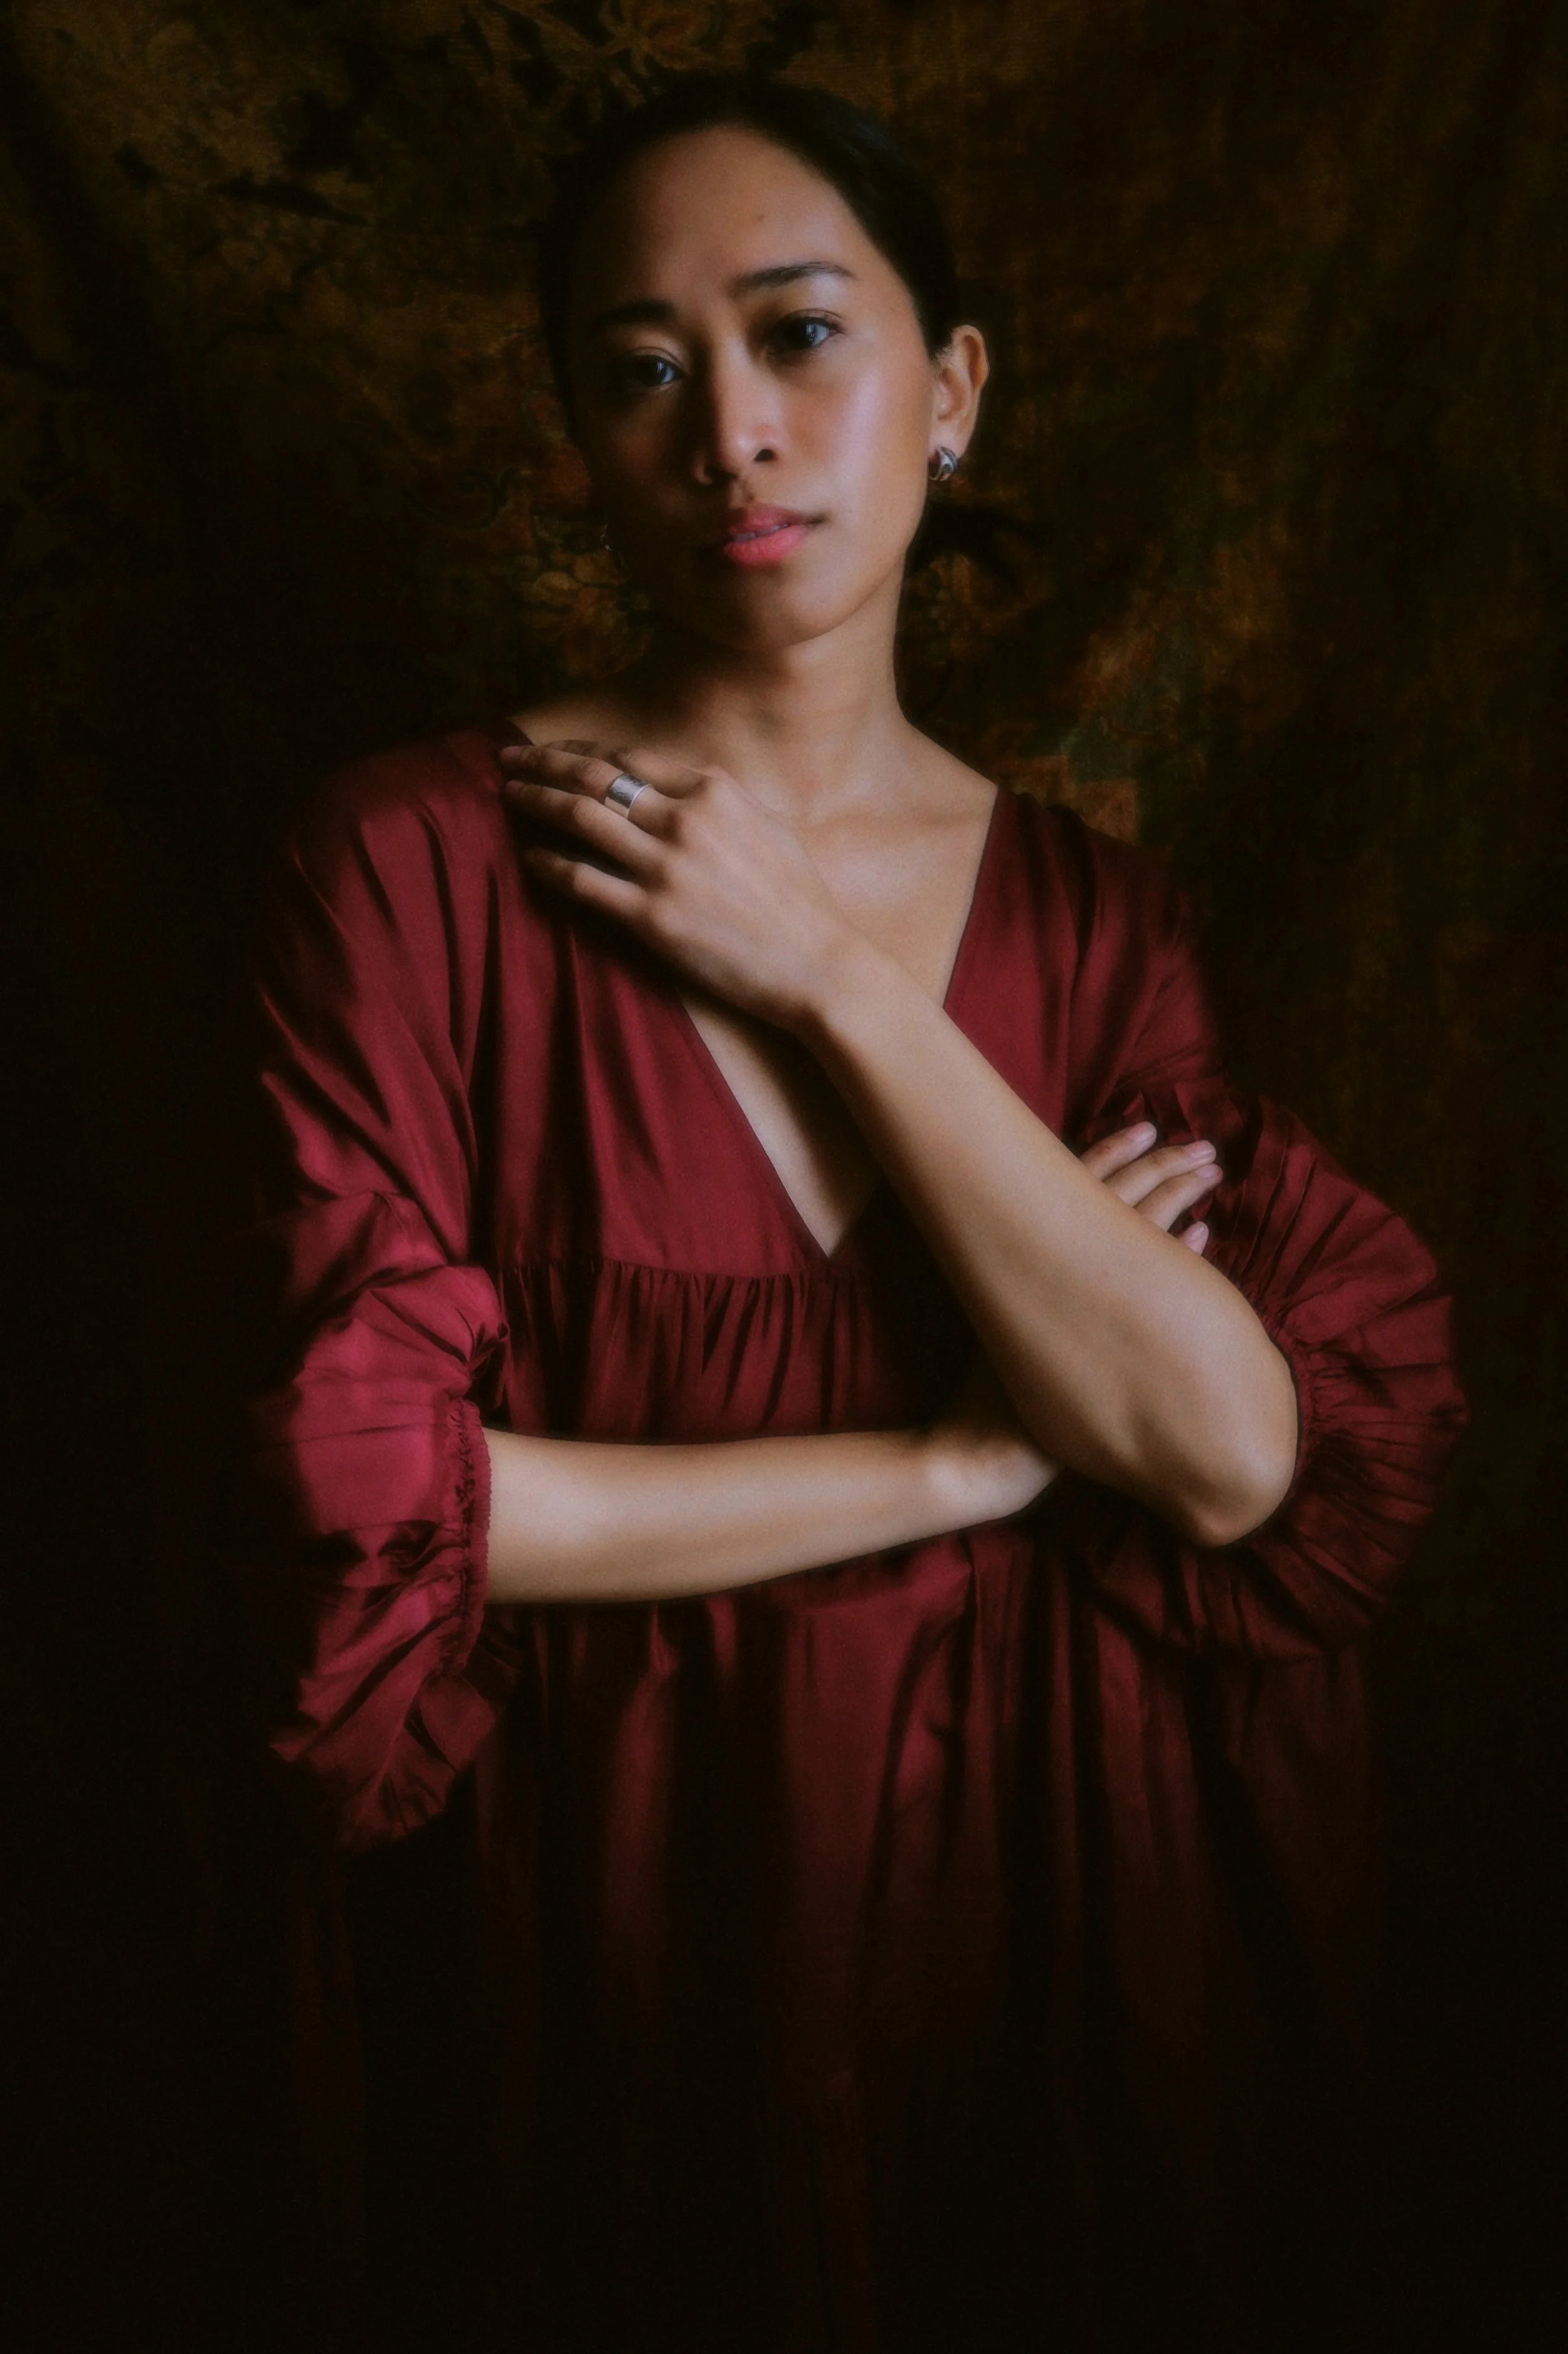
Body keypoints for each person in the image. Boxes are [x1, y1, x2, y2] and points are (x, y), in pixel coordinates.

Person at [223, 74, 1466, 2354]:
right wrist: (954, 1467)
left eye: (801, 333)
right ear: (579, 439)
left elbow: (1229, 1461)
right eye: (641, 367)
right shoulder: (402, 875)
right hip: (604, 1927)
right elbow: (389, 1508)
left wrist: (817, 969)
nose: (732, 433)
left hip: (1046, 1935)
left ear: (952, 388)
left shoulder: (1105, 933)